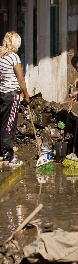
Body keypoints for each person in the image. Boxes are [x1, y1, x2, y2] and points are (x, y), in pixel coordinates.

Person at [0, 32, 29, 166]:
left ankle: (2, 151)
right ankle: (8, 155)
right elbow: (21, 79)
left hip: (2, 94)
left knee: (3, 122)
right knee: (9, 124)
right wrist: (26, 94)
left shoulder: (1, 57)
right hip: (12, 95)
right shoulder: (13, 57)